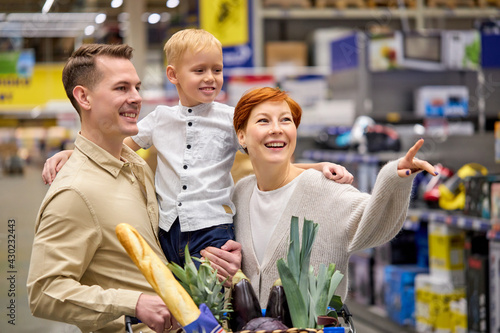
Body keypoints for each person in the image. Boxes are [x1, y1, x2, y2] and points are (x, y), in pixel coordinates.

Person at [41, 29, 353, 270]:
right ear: (173, 75)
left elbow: (269, 159)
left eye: (216, 70)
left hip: (212, 229)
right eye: (199, 70)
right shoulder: (160, 119)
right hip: (166, 230)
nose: (210, 78)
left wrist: (317, 167)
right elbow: (114, 148)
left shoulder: (231, 119)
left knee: (213, 304)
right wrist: (73, 152)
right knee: (172, 302)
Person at [201, 87, 437, 308]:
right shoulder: (241, 193)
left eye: (286, 120)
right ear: (241, 136)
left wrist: (394, 177)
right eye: (263, 120)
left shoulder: (325, 191)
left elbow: (376, 223)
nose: (277, 129)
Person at [27, 44, 178, 333]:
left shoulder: (136, 166)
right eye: (121, 88)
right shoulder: (74, 192)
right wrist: (134, 304)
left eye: (136, 87)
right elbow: (44, 292)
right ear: (84, 97)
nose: (136, 98)